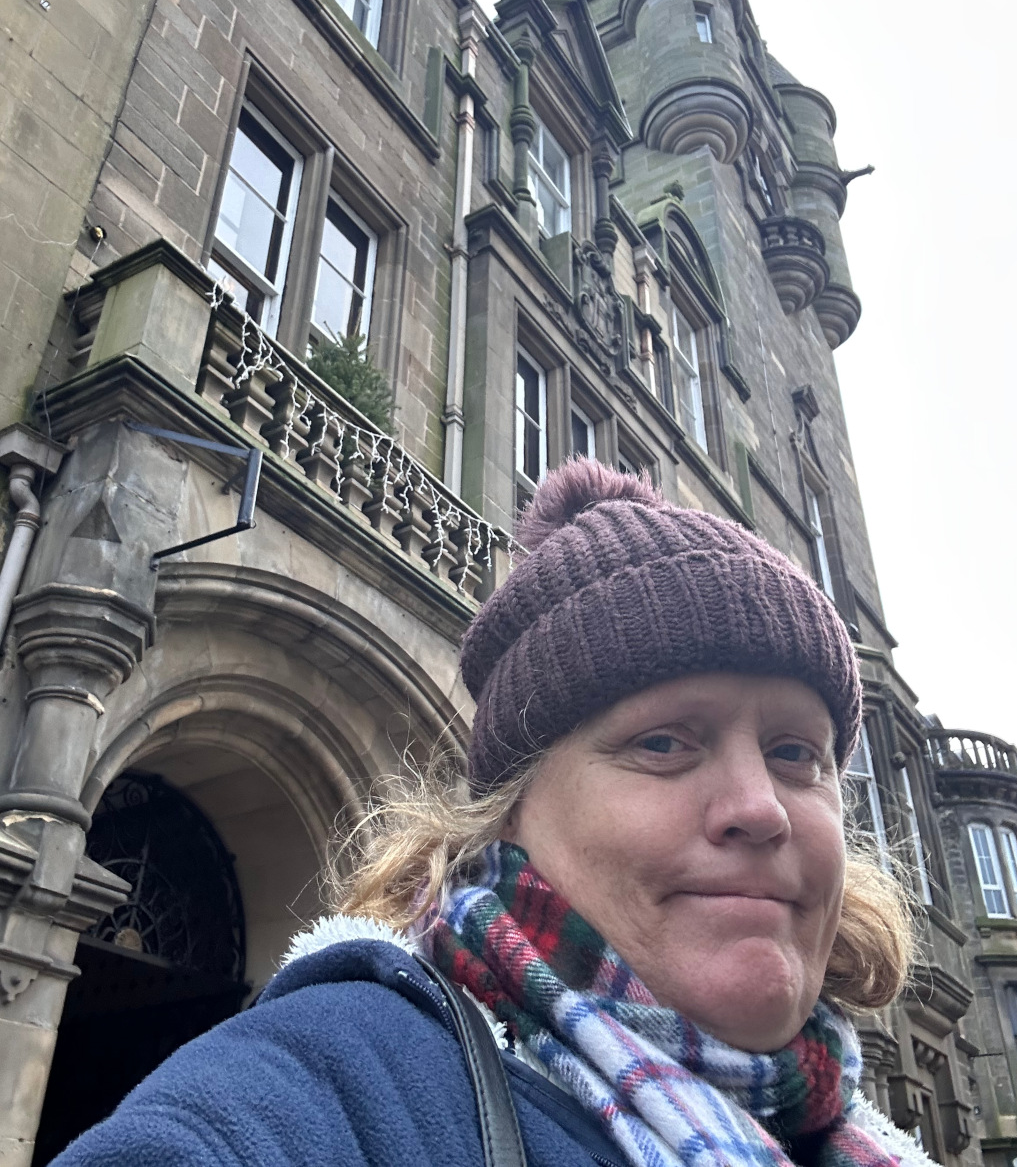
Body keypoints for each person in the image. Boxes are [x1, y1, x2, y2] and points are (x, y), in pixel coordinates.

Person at [52, 459, 929, 1167]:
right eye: (663, 742)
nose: (760, 807)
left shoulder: (864, 1137)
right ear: (511, 812)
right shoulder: (345, 1076)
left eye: (795, 753)